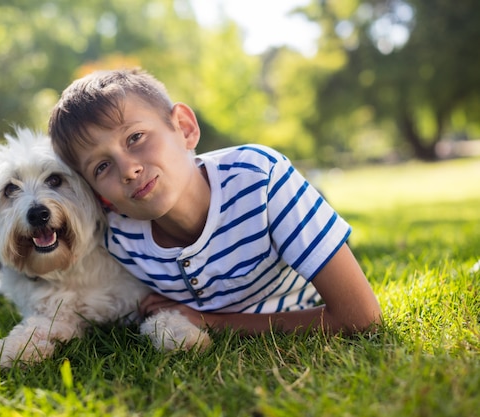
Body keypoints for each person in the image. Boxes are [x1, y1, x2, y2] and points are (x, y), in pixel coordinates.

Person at [48, 68, 382, 337]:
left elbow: (362, 317)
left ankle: (324, 220)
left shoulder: (259, 179)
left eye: (135, 138)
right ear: (97, 194)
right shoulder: (117, 235)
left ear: (185, 127)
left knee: (314, 227)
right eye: (101, 166)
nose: (129, 170)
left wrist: (212, 322)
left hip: (293, 285)